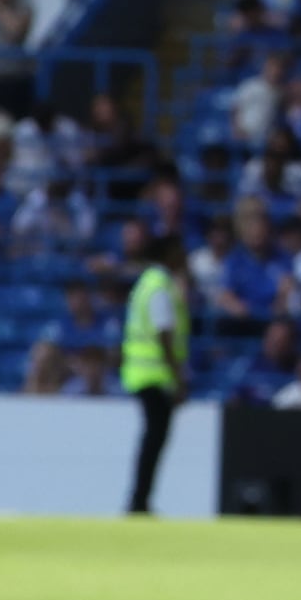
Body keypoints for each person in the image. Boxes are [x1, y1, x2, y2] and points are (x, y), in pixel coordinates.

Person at [121, 222, 193, 518]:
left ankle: (140, 500)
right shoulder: (160, 286)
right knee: (154, 440)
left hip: (142, 373)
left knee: (152, 440)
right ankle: (139, 501)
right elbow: (164, 335)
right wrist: (178, 378)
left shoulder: (147, 283)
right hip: (154, 376)